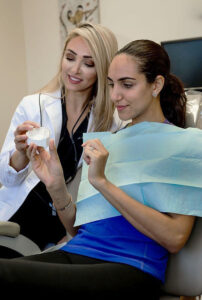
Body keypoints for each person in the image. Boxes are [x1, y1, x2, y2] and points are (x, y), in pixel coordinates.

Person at [0, 40, 196, 299]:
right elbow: (75, 231)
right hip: (78, 253)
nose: (115, 95)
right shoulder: (107, 141)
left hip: (131, 268)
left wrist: (103, 183)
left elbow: (175, 237)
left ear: (156, 85)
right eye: (112, 84)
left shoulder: (186, 144)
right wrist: (56, 185)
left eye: (127, 84)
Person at [0, 22, 123, 253]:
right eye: (70, 57)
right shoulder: (33, 105)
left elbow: (97, 198)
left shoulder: (109, 125)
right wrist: (19, 154)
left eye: (88, 63)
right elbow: (7, 180)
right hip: (18, 219)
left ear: (102, 69)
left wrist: (68, 233)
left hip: (64, 227)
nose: (75, 70)